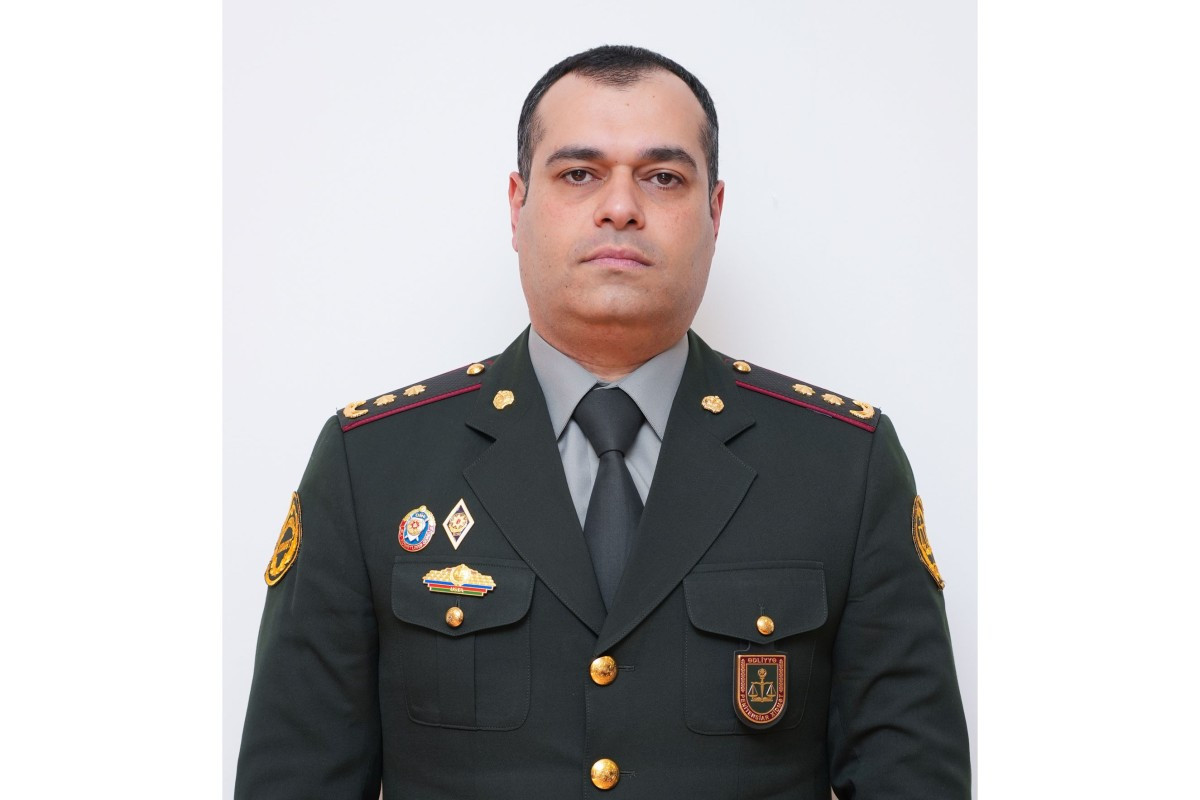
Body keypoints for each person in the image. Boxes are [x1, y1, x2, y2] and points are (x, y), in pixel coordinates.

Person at [236, 44, 970, 799]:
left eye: (663, 177)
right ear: (516, 205)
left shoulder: (842, 468)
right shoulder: (372, 466)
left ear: (715, 212)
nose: (621, 207)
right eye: (579, 174)